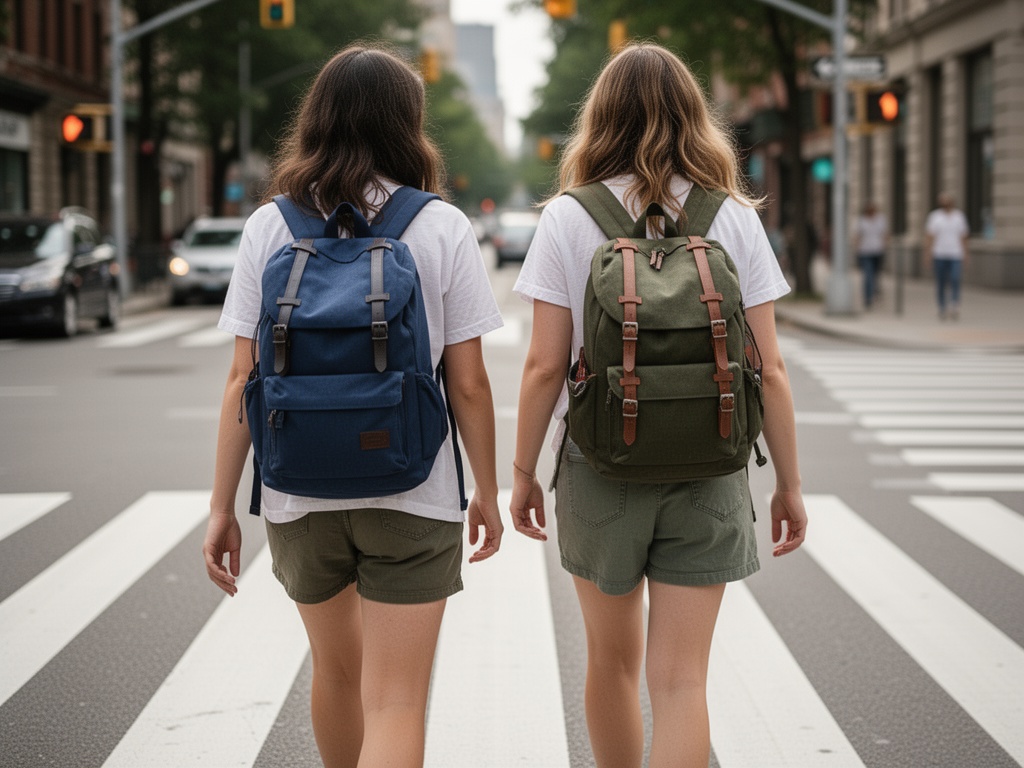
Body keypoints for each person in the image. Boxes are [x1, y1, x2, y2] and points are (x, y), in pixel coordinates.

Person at [202, 45, 504, 768]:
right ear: (409, 123)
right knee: (396, 697)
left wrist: (220, 507)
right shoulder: (441, 225)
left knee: (336, 673)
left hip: (298, 489)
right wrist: (488, 490)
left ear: (317, 118)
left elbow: (241, 378)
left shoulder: (268, 227)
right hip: (414, 485)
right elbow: (467, 384)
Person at [509, 44, 807, 768]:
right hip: (709, 463)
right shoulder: (732, 216)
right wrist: (789, 486)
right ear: (694, 116)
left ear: (599, 117)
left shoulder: (567, 218)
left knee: (611, 665)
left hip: (602, 464)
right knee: (682, 679)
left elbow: (545, 365)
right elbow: (769, 370)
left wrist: (521, 473)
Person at [924, 192, 970, 320]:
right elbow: (930, 237)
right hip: (939, 254)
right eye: (943, 201)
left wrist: (966, 253)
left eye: (947, 201)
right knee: (941, 282)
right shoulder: (935, 217)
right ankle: (942, 306)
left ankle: (954, 304)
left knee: (955, 279)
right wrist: (928, 254)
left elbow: (964, 237)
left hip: (956, 254)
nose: (945, 204)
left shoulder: (959, 217)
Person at [854, 201, 889, 309]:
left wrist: (885, 245)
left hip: (877, 251)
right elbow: (857, 235)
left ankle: (875, 291)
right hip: (865, 251)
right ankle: (868, 297)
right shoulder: (861, 221)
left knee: (876, 274)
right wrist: (857, 248)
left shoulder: (881, 219)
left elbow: (885, 234)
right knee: (868, 274)